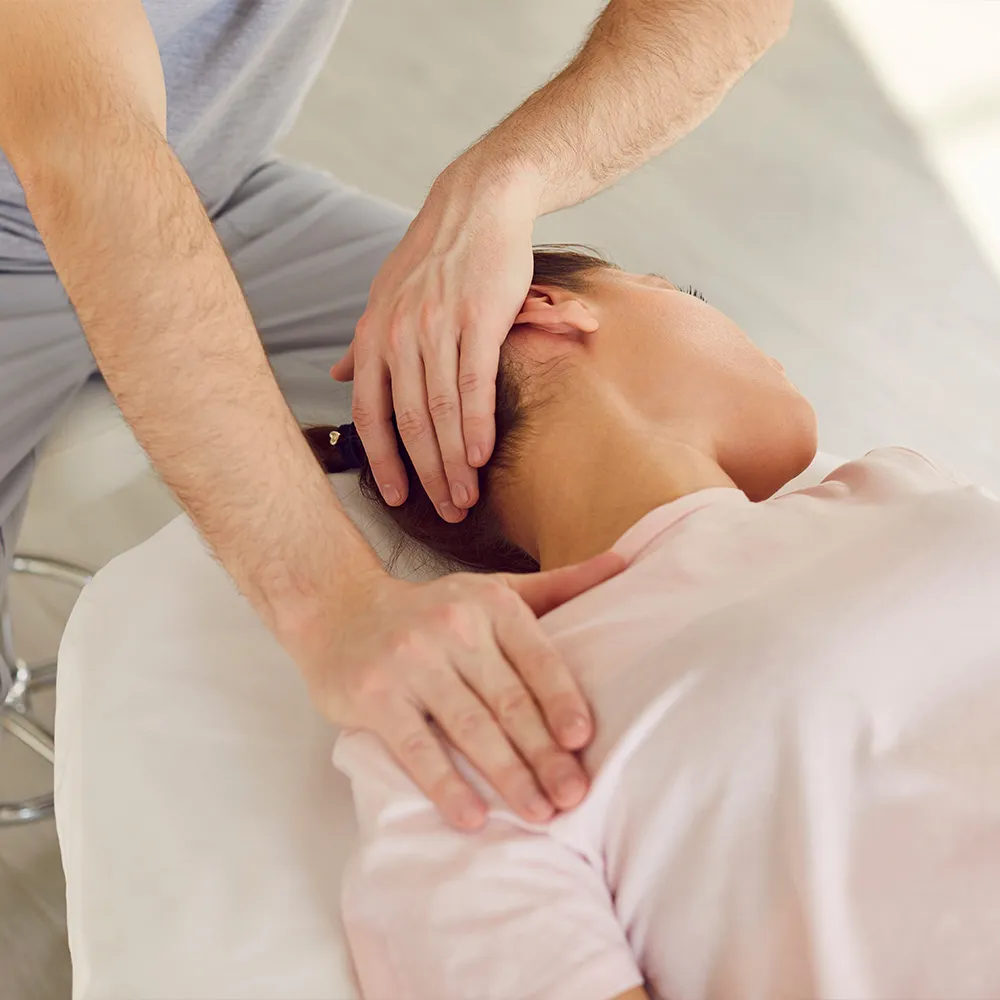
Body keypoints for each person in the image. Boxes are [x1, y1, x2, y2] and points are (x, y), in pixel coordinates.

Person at [0, 0, 794, 827]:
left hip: (215, 188)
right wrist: (333, 605)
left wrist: (504, 184)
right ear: (551, 308)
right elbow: (84, 156)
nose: (666, 285)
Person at [320, 248, 1000, 1000]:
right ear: (542, 307)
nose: (766, 348)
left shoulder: (898, 485)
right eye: (693, 293)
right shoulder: (467, 712)